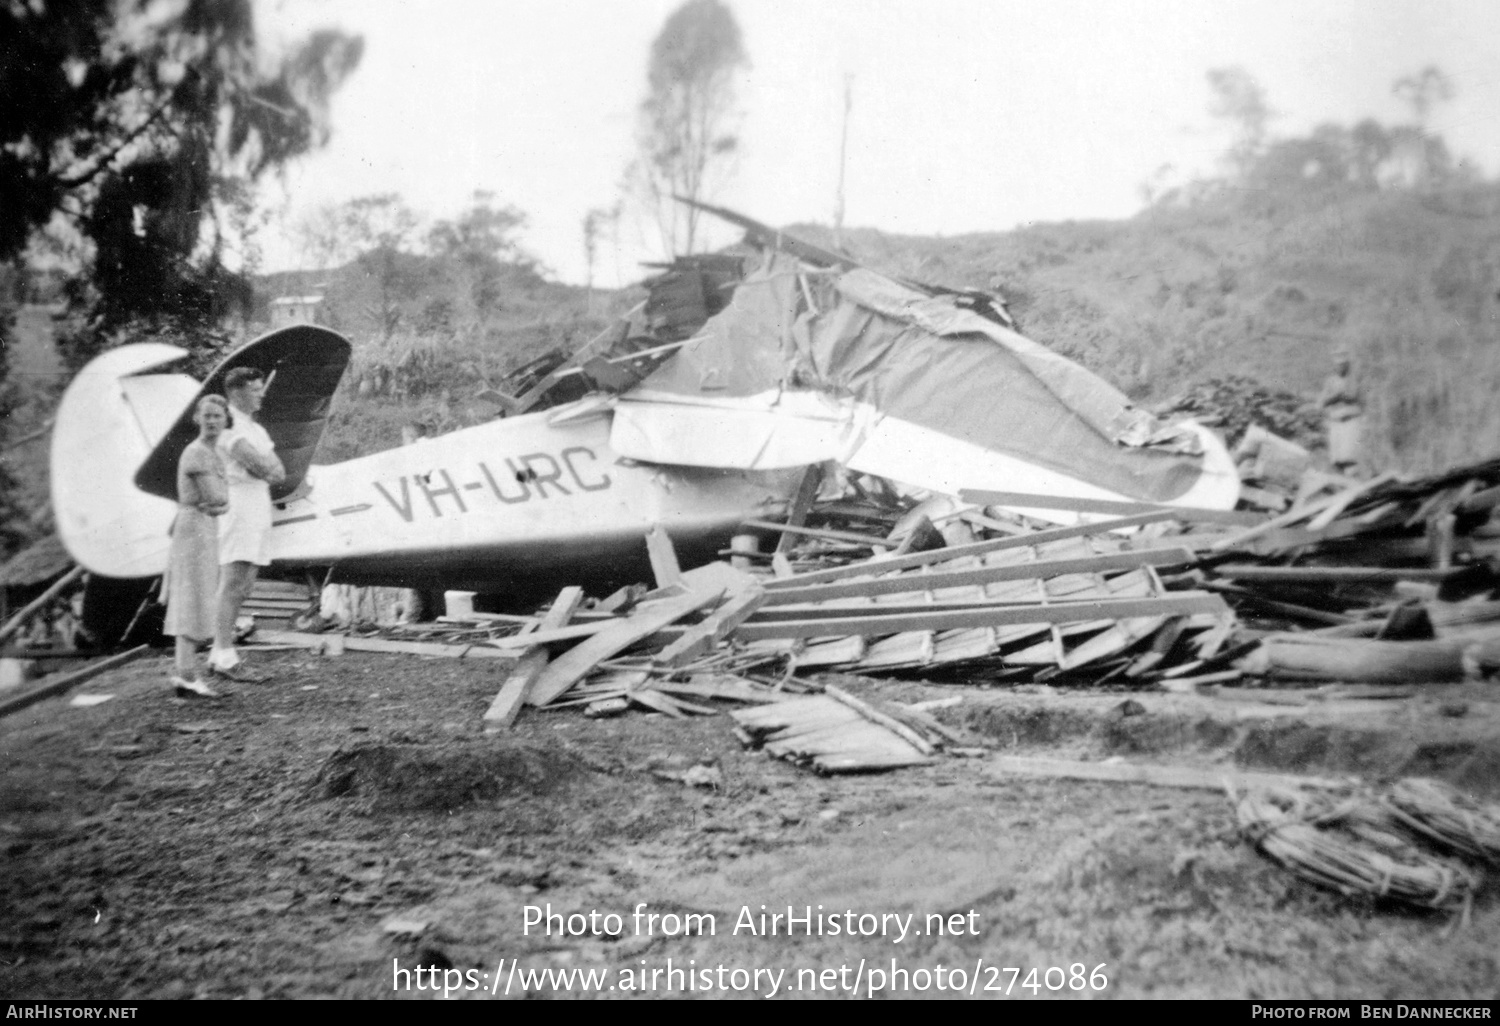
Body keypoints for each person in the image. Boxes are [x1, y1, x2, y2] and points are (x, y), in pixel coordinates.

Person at [209, 367, 285, 681]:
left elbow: (277, 470)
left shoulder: (254, 428)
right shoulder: (229, 427)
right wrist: (263, 467)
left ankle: (221, 652)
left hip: (257, 504)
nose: (262, 393)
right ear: (238, 392)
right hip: (238, 505)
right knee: (233, 581)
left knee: (246, 584)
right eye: (255, 389)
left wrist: (264, 467)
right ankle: (223, 654)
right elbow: (261, 465)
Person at [163, 395, 230, 698]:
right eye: (207, 416)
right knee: (192, 598)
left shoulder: (211, 453)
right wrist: (219, 501)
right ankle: (187, 674)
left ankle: (184, 672)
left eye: (218, 415)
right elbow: (218, 498)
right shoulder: (198, 453)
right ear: (197, 419)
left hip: (201, 526)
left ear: (225, 419)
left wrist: (219, 502)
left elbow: (219, 501)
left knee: (196, 597)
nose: (212, 420)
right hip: (194, 527)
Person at [1318, 346, 1365, 477]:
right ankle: (1340, 484)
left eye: (1344, 364)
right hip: (1336, 421)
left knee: (1350, 458)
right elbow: (1321, 402)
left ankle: (1352, 483)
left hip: (1351, 420)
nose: (1341, 367)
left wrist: (1344, 396)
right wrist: (1335, 396)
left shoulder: (1354, 379)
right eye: (1338, 364)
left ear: (1348, 364)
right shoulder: (1330, 381)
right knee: (1337, 459)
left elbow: (1357, 397)